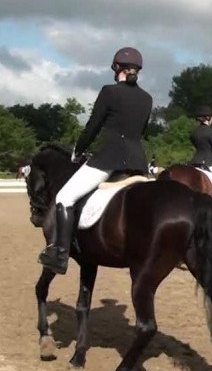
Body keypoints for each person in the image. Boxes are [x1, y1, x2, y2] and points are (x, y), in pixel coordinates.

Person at [38, 47, 153, 275]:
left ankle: (60, 253)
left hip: (108, 159)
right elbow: (141, 130)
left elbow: (93, 126)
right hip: (138, 163)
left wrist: (78, 150)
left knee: (65, 197)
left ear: (116, 68)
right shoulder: (147, 98)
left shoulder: (109, 92)